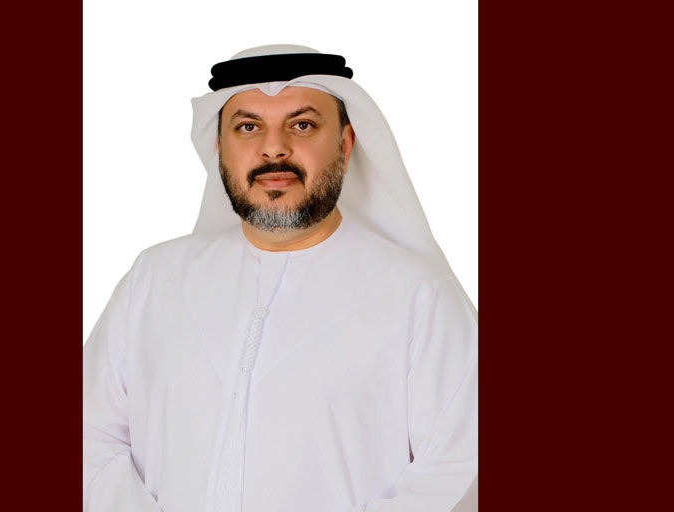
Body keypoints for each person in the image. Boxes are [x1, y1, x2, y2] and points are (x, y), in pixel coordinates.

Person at [83, 44, 477, 512]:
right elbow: (92, 439)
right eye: (248, 127)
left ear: (345, 144)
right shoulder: (154, 280)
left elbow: (458, 468)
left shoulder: (419, 295)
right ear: (220, 148)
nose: (274, 148)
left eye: (302, 125)